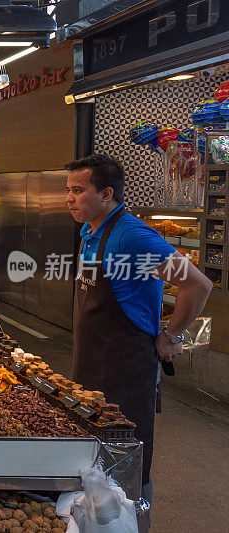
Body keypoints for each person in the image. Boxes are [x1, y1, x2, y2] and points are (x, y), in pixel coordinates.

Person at [65, 154, 212, 501]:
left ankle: (134, 519)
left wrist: (172, 335)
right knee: (94, 458)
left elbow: (197, 285)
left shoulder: (133, 236)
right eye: (67, 190)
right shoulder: (91, 231)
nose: (69, 198)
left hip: (125, 368)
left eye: (77, 190)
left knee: (125, 464)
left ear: (106, 194)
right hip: (90, 361)